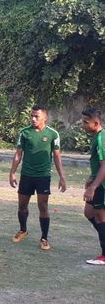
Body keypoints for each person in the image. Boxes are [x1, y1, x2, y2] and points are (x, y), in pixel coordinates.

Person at [9, 105, 66, 250]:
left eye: (37, 116)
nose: (33, 119)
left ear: (45, 117)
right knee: (22, 205)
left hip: (43, 176)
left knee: (43, 206)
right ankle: (23, 230)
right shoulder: (24, 133)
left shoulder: (53, 134)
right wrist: (12, 173)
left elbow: (57, 156)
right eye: (32, 116)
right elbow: (18, 154)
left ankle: (44, 238)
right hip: (26, 175)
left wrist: (62, 177)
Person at [81, 107, 105, 265]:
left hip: (102, 185)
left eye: (85, 122)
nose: (82, 125)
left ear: (96, 123)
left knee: (100, 215)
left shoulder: (101, 138)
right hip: (97, 181)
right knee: (88, 212)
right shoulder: (95, 136)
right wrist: (91, 177)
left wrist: (93, 186)